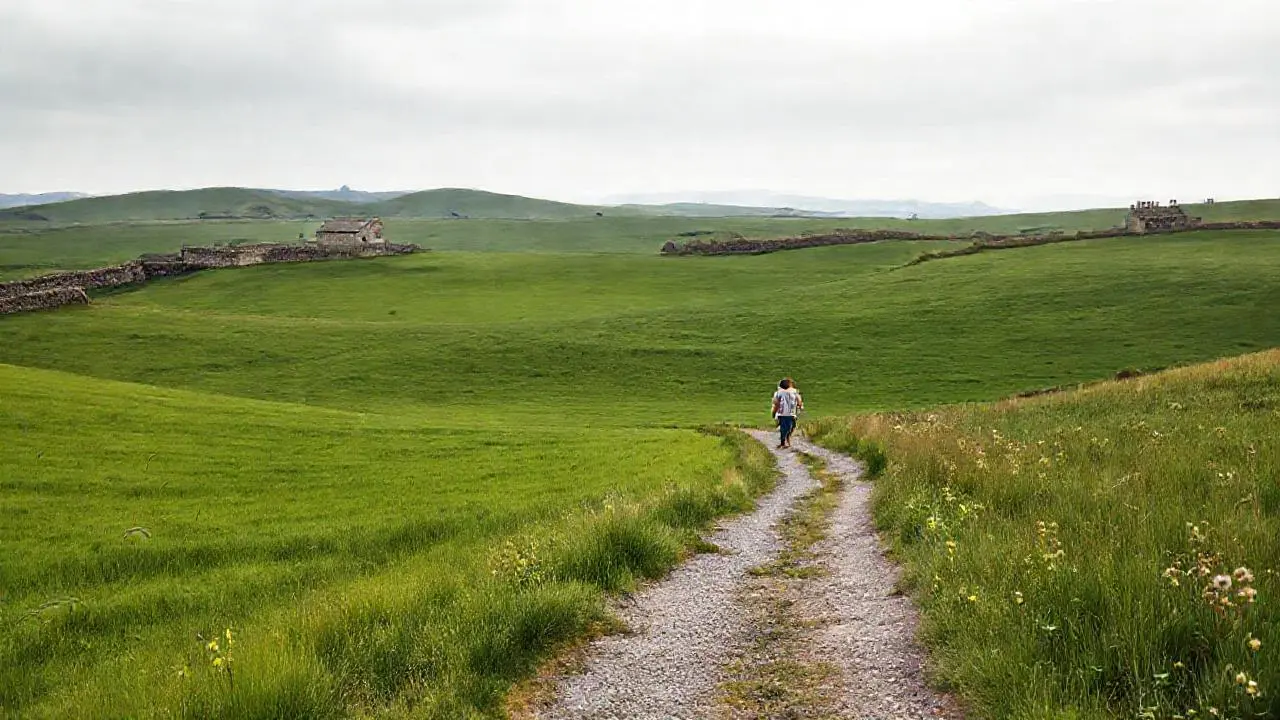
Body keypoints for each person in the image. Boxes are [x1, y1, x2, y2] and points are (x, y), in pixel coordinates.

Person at [771, 378, 803, 449]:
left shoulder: (780, 392)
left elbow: (776, 403)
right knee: (788, 428)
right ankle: (784, 442)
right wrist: (800, 406)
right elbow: (799, 401)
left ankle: (785, 440)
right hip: (786, 414)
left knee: (789, 427)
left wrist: (774, 412)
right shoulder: (792, 392)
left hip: (787, 414)